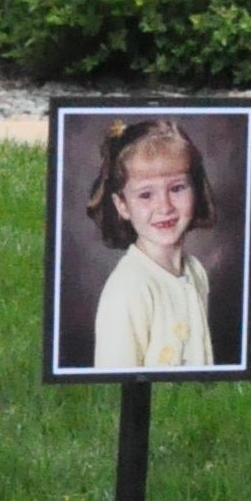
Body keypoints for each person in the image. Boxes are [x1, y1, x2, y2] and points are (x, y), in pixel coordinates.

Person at [86, 116, 220, 370]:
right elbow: (115, 383)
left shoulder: (195, 271)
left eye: (177, 188)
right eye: (146, 194)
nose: (165, 206)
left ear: (196, 189)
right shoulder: (128, 289)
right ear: (122, 205)